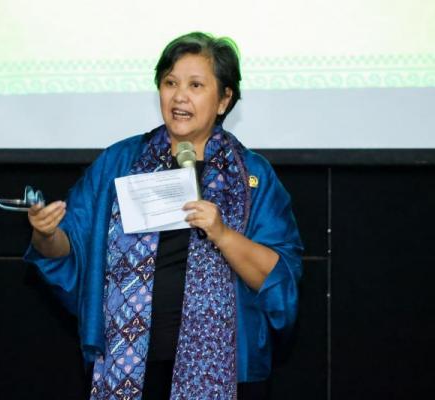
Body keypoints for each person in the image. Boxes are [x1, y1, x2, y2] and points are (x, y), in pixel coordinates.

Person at [25, 32, 303, 400]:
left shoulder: (251, 176)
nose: (179, 96)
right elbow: (70, 250)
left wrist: (222, 234)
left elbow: (279, 278)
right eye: (170, 83)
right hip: (130, 367)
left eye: (195, 85)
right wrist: (46, 234)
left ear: (224, 99)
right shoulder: (120, 163)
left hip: (227, 372)